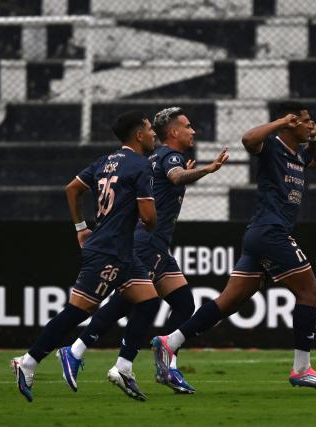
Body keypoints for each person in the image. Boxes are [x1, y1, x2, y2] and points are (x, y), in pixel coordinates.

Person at [150, 101, 316, 389]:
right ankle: (302, 368)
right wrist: (281, 122)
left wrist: (313, 136)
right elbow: (248, 139)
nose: (310, 124)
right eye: (305, 121)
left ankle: (170, 341)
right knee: (310, 292)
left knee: (231, 300)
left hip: (259, 236)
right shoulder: (272, 145)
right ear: (290, 122)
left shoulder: (298, 154)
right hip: (270, 232)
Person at [57, 107, 230, 397]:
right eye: (187, 126)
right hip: (147, 242)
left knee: (184, 301)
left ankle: (166, 361)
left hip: (155, 243)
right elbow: (176, 176)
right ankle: (82, 352)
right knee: (127, 303)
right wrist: (207, 169)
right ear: (173, 132)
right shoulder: (170, 156)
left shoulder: (154, 157)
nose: (193, 131)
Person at [11, 111, 161, 402]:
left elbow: (73, 189)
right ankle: (28, 361)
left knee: (148, 300)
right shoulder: (141, 166)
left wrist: (81, 227)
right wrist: (151, 219)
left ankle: (124, 366)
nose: (154, 134)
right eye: (150, 129)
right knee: (78, 311)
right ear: (139, 135)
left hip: (120, 250)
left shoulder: (105, 161)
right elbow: (149, 218)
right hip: (109, 250)